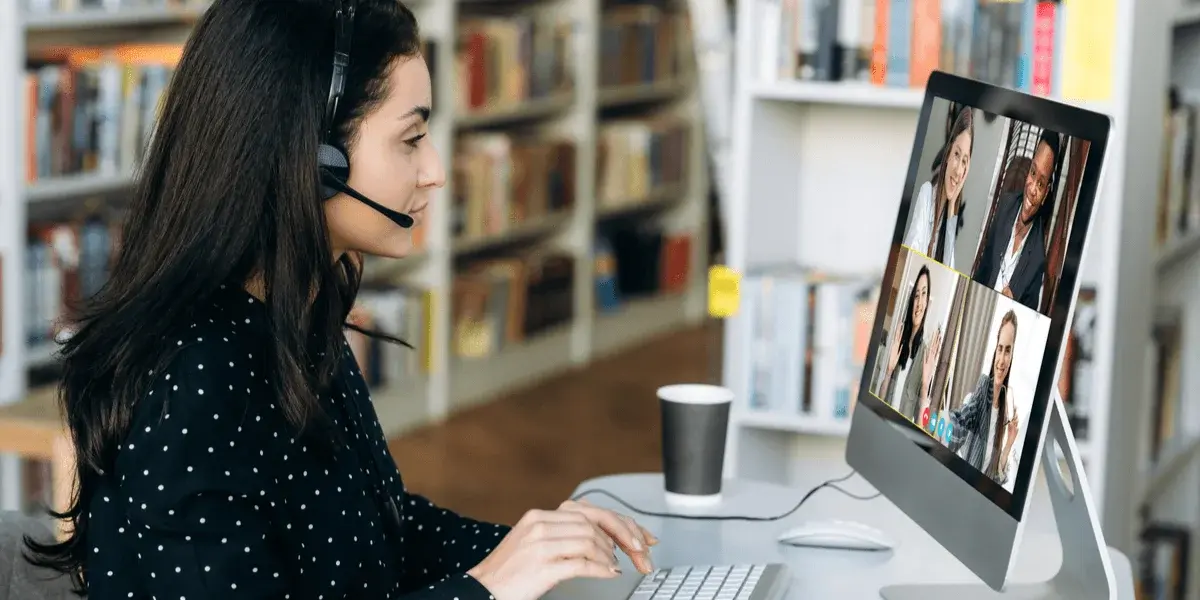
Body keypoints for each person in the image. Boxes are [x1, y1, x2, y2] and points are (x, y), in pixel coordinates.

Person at [22, 1, 657, 599]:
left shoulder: (293, 313)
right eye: (411, 139)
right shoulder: (192, 378)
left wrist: (541, 550)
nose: (435, 169)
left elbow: (375, 529)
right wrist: (487, 587)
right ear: (314, 159)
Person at [972, 128, 1060, 313]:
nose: (1032, 189)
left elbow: (1026, 317)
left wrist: (1012, 307)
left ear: (1046, 192)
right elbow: (983, 268)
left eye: (1041, 184)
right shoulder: (1005, 206)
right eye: (1033, 173)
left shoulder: (1037, 258)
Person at [946, 310, 1022, 486]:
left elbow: (994, 477)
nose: (1002, 359)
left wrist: (1009, 443)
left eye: (1008, 351)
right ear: (995, 350)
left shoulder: (1003, 415)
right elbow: (957, 425)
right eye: (1000, 349)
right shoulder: (977, 398)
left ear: (1012, 356)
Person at [906, 107, 975, 270]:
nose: (958, 171)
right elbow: (911, 260)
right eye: (957, 154)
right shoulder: (927, 193)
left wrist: (952, 208)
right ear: (948, 152)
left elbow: (948, 273)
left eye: (964, 161)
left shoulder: (950, 218)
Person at [878, 265, 944, 422]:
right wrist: (889, 370)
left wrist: (925, 385)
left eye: (923, 295)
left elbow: (920, 423)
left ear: (927, 303)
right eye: (916, 296)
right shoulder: (897, 341)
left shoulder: (925, 356)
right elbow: (880, 400)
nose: (919, 303)